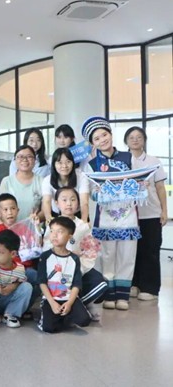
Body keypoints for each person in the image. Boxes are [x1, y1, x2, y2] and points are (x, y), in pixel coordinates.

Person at [82, 116, 141, 310]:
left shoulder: (128, 157)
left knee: (127, 256)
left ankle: (123, 296)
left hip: (128, 216)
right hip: (105, 218)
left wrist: (139, 186)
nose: (102, 140)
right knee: (106, 256)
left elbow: (140, 182)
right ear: (93, 143)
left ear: (111, 134)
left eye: (104, 135)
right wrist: (99, 193)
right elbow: (91, 193)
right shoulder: (92, 165)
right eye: (97, 138)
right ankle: (109, 294)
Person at [42, 187, 108, 321]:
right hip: (57, 271)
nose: (69, 203)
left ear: (78, 203)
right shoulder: (52, 225)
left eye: (73, 200)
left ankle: (85, 304)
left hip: (79, 267)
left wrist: (78, 268)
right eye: (64, 200)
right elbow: (47, 249)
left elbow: (90, 251)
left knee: (101, 282)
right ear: (56, 203)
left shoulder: (83, 226)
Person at [124, 126, 167, 302]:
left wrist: (164, 211)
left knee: (150, 250)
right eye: (131, 137)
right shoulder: (123, 161)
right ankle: (134, 284)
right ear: (126, 141)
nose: (135, 140)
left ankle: (150, 288)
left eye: (139, 137)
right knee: (131, 251)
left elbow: (160, 188)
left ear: (144, 140)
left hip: (150, 213)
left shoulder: (153, 161)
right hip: (128, 215)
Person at [37, 217, 91, 333]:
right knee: (48, 328)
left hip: (68, 297)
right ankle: (59, 317)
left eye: (60, 232)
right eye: (52, 231)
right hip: (50, 298)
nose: (54, 235)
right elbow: (42, 282)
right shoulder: (45, 257)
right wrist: (52, 303)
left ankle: (64, 316)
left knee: (84, 320)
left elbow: (76, 284)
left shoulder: (74, 258)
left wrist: (69, 303)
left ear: (69, 237)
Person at [42, 147, 90, 222]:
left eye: (68, 162)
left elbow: (84, 202)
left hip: (78, 215)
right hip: (56, 215)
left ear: (73, 163)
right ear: (54, 164)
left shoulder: (82, 178)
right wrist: (49, 219)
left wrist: (84, 222)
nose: (64, 166)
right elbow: (46, 201)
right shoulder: (47, 180)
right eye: (60, 162)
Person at [0, 145, 43, 220]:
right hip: (11, 226)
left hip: (33, 226)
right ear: (14, 160)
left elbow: (45, 209)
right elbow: (1, 208)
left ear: (35, 160)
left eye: (29, 156)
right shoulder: (6, 181)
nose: (25, 160)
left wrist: (34, 219)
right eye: (20, 157)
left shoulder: (42, 181)